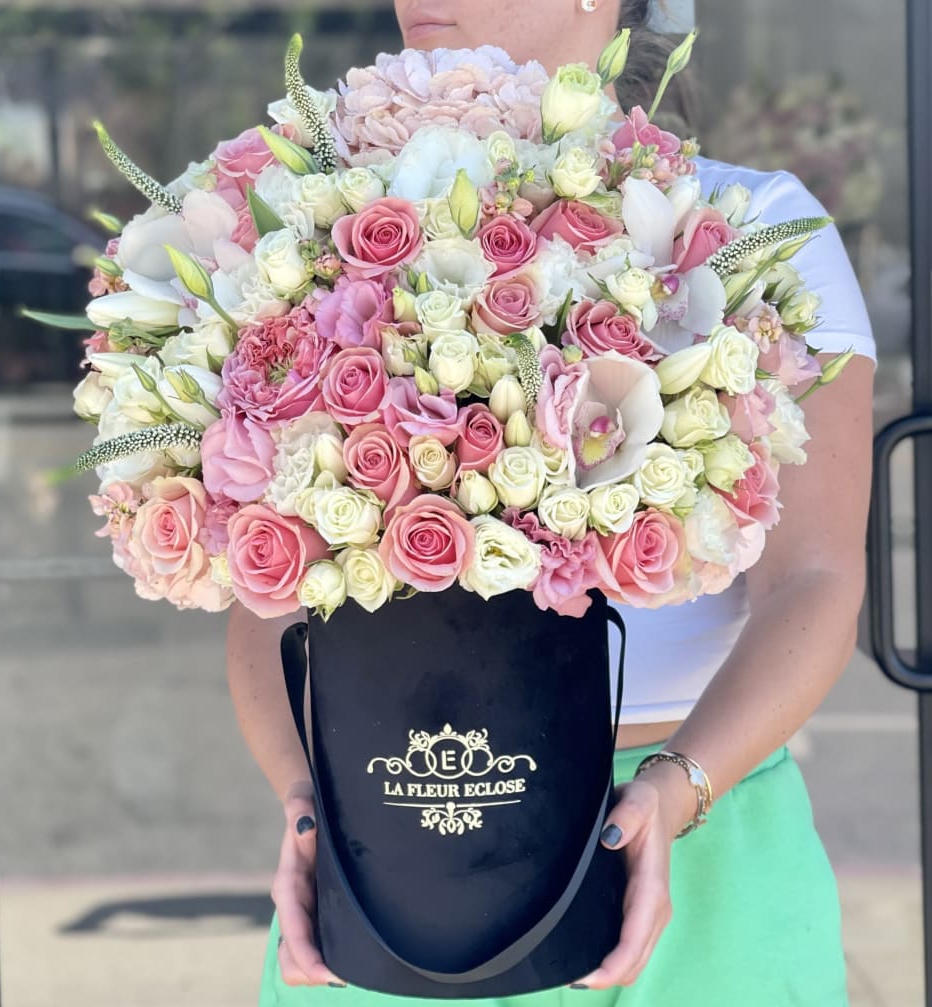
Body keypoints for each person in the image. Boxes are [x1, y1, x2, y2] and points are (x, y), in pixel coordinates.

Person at [225, 1, 879, 1003]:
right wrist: (309, 812)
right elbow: (261, 595)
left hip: (702, 853)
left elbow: (819, 578)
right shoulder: (317, 234)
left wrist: (678, 786)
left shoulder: (749, 227)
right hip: (398, 853)